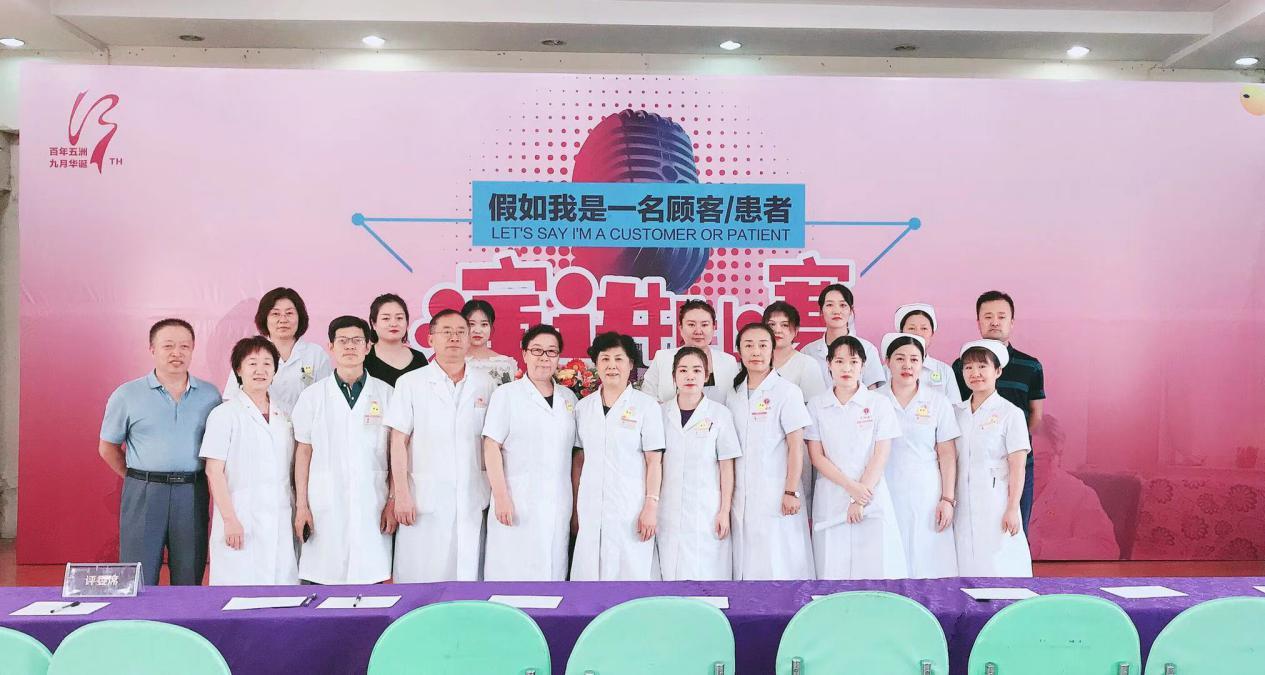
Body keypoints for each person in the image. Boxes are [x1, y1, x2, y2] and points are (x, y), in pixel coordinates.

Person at [99, 319, 222, 586]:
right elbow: (107, 447)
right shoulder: (127, 394)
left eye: (184, 346)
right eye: (168, 346)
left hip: (192, 491)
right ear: (152, 349)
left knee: (189, 572)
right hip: (143, 491)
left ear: (193, 349)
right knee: (138, 575)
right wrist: (136, 476)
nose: (176, 353)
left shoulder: (210, 395)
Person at [387, 309, 495, 582]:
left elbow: (492, 443)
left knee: (468, 577)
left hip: (471, 495)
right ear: (430, 339)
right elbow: (398, 441)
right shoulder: (410, 383)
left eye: (460, 332)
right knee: (422, 575)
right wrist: (401, 494)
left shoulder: (486, 383)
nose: (454, 338)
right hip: (423, 497)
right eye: (446, 332)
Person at [291, 316, 396, 585]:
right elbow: (303, 452)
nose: (350, 346)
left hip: (372, 500)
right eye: (343, 341)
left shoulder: (387, 394)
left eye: (357, 340)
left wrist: (393, 499)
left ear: (368, 347)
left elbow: (395, 452)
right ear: (331, 347)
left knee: (370, 580)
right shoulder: (312, 396)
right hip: (324, 500)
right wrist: (301, 506)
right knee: (323, 579)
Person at [482, 324, 579, 581]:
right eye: (537, 350)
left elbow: (575, 455)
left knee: (552, 573)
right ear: (524, 354)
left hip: (558, 501)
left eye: (551, 351)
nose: (544, 358)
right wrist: (501, 497)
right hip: (517, 499)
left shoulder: (569, 398)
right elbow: (491, 446)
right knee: (513, 575)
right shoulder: (506, 395)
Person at [200, 336, 299, 585]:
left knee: (282, 590)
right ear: (238, 369)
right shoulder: (224, 414)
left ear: (275, 371)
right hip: (240, 517)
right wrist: (230, 519)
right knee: (240, 591)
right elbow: (213, 471)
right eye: (252, 363)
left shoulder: (284, 415)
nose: (260, 370)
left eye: (267, 363)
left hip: (280, 516)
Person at [805, 336, 906, 580]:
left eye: (853, 362)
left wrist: (860, 498)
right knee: (832, 569)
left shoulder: (879, 403)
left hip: (870, 495)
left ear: (863, 365)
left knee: (874, 567)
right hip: (832, 495)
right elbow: (817, 456)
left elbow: (881, 454)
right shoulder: (817, 405)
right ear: (829, 364)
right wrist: (851, 489)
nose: (846, 368)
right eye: (839, 361)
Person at [571, 332, 666, 581]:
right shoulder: (583, 408)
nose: (611, 365)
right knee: (590, 577)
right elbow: (579, 461)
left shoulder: (646, 406)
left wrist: (651, 506)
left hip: (631, 507)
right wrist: (575, 510)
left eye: (619, 359)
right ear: (596, 364)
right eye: (605, 359)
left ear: (631, 364)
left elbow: (654, 461)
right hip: (591, 507)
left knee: (632, 575)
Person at [727, 322, 815, 580]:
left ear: (772, 350)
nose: (756, 352)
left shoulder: (787, 392)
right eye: (749, 345)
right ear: (739, 351)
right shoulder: (733, 394)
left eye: (763, 345)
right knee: (746, 562)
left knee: (780, 559)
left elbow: (796, 445)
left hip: (777, 491)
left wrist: (791, 491)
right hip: (741, 494)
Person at [952, 291, 1045, 532]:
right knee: (969, 530)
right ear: (978, 322)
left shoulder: (1030, 365)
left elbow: (1035, 415)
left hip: (1017, 462)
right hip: (972, 463)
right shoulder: (961, 365)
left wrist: (1010, 444)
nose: (995, 322)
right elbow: (957, 413)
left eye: (1001, 316)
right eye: (988, 316)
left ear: (1011, 322)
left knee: (1013, 529)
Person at [877, 332, 961, 578]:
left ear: (922, 363)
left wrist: (947, 499)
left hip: (926, 491)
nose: (907, 365)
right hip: (884, 489)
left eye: (914, 359)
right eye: (900, 358)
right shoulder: (874, 401)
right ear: (887, 361)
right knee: (889, 557)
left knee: (929, 559)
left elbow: (947, 454)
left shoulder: (938, 402)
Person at [657, 347, 741, 581]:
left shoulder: (720, 414)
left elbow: (727, 466)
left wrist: (724, 511)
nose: (690, 376)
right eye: (683, 370)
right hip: (668, 509)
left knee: (708, 576)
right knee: (670, 574)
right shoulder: (660, 413)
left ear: (707, 375)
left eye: (696, 370)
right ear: (674, 376)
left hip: (707, 509)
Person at [954, 339, 1033, 577]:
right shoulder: (956, 412)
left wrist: (1012, 508)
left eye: (982, 366)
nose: (975, 373)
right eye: (968, 367)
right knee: (964, 561)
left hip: (996, 500)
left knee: (999, 562)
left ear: (997, 371)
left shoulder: (1011, 413)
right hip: (961, 501)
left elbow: (1018, 466)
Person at [223, 287, 332, 415]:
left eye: (289, 313)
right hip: (258, 424)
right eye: (275, 314)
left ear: (300, 317)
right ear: (265, 318)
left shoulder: (315, 354)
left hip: (305, 425)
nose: (283, 320)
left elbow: (326, 399)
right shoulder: (249, 352)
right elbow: (231, 398)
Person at [1028, 415, 1120, 560]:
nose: (1032, 467)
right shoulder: (997, 488)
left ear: (1058, 456)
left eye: (1042, 458)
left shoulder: (1079, 495)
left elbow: (1105, 549)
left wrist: (1041, 549)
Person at [765, 300, 826, 505]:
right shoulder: (753, 363)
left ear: (795, 330)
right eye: (771, 325)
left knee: (793, 501)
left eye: (784, 325)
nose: (777, 330)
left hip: (795, 446)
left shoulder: (806, 364)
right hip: (761, 445)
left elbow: (814, 413)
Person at [640, 299, 740, 404]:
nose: (698, 331)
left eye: (704, 325)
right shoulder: (662, 358)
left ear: (713, 327)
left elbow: (735, 401)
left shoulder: (728, 361)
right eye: (691, 325)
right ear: (681, 327)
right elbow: (647, 397)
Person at [800, 284, 884, 390]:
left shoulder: (867, 349)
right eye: (829, 305)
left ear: (851, 311)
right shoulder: (808, 352)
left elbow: (873, 393)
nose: (836, 311)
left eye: (843, 305)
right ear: (821, 311)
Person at [893, 303, 961, 404]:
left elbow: (954, 408)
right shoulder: (887, 370)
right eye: (911, 328)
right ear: (901, 333)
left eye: (924, 328)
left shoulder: (944, 371)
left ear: (932, 333)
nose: (918, 334)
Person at [364, 293, 427, 387]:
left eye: (399, 318)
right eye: (386, 318)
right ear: (374, 324)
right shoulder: (364, 358)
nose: (393, 323)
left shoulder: (419, 358)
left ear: (407, 322)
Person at [461, 299, 519, 385]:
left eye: (484, 324)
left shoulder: (503, 364)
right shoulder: (453, 362)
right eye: (471, 324)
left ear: (491, 327)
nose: (477, 330)